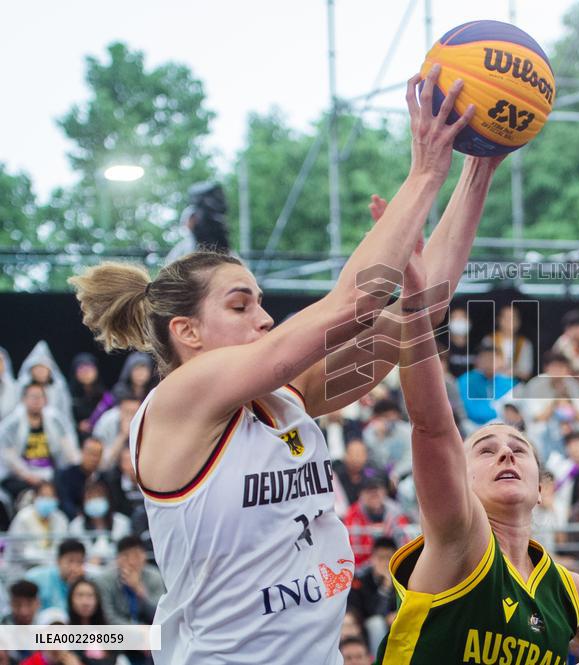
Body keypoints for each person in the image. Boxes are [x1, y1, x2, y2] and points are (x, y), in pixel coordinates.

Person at [68, 67, 502, 664]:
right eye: (241, 305)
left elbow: (418, 313)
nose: (265, 319)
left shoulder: (287, 397)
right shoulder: (178, 402)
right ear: (187, 333)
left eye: (263, 303)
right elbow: (356, 300)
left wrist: (481, 165)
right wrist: (427, 170)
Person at [373, 239, 579, 664]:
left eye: (519, 449)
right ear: (458, 481)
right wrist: (415, 309)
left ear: (542, 488)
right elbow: (431, 425)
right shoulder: (458, 537)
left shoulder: (568, 592)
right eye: (485, 449)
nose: (506, 455)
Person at [0, 383, 81, 500]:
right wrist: (29, 477)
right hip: (21, 476)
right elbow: (8, 456)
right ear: (23, 399)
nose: (36, 400)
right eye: (32, 397)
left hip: (52, 472)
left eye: (40, 397)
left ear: (46, 400)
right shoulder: (12, 425)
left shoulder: (55, 421)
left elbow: (68, 449)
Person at [93, 535, 166, 627]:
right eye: (126, 556)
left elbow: (161, 613)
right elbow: (108, 617)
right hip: (119, 633)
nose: (131, 562)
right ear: (117, 559)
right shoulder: (105, 580)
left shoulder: (154, 576)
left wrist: (139, 590)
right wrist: (135, 630)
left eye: (136, 556)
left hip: (150, 629)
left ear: (144, 556)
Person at [8, 481, 71, 565]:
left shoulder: (61, 518)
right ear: (35, 497)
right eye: (43, 496)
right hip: (24, 566)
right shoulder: (23, 517)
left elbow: (61, 545)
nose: (47, 500)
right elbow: (21, 550)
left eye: (51, 496)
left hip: (53, 564)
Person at [457, 340, 517, 425]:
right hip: (472, 425)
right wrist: (497, 412)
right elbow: (469, 411)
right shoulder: (466, 380)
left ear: (501, 361)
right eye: (486, 358)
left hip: (501, 426)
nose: (490, 362)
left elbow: (514, 413)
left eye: (494, 358)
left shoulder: (510, 383)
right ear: (478, 360)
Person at [25, 538, 86, 613]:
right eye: (71, 561)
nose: (74, 567)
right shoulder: (35, 577)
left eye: (80, 562)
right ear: (58, 561)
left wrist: (75, 586)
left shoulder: (85, 583)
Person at [67, 577, 117, 665]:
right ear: (71, 599)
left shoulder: (107, 630)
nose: (85, 602)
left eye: (90, 596)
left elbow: (113, 659)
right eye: (80, 595)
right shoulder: (65, 630)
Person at [485, 303, 535, 382]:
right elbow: (483, 368)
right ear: (499, 320)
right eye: (507, 318)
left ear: (519, 321)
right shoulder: (489, 340)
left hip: (516, 386)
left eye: (514, 318)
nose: (511, 321)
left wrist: (510, 372)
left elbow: (526, 373)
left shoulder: (524, 343)